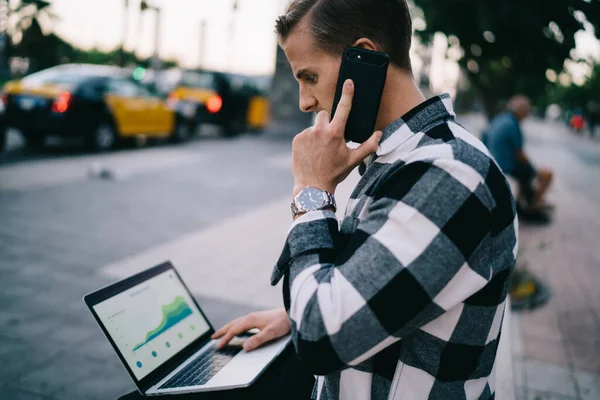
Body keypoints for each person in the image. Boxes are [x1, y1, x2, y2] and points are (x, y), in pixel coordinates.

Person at [213, 1, 518, 399]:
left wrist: (312, 192)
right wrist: (296, 315)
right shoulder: (405, 159)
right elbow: (399, 287)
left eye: (310, 76)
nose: (305, 101)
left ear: (366, 57)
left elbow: (321, 340)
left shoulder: (449, 175)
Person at [485, 95, 553, 211]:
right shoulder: (513, 124)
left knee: (525, 173)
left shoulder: (499, 119)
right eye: (527, 110)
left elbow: (485, 138)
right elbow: (520, 154)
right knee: (546, 174)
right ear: (521, 110)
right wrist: (533, 169)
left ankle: (520, 203)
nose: (528, 114)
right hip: (505, 165)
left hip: (491, 161)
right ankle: (533, 206)